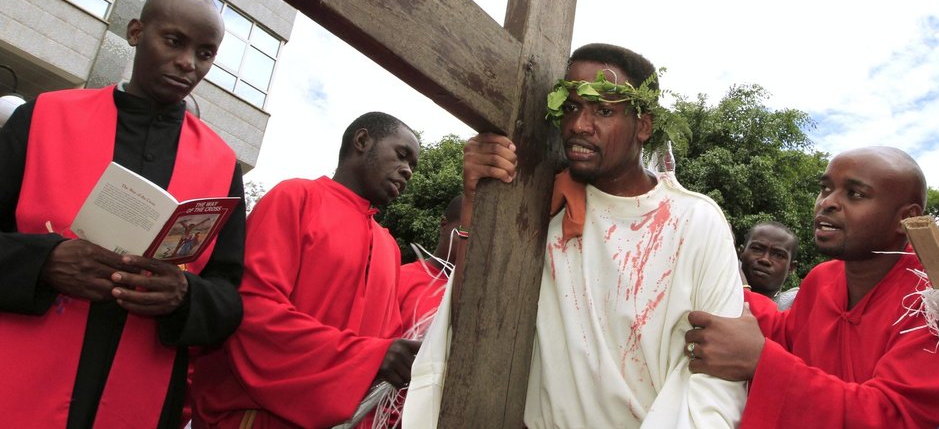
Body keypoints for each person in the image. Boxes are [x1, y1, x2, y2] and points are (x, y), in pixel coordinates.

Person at [404, 43, 747, 428]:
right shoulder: (541, 208)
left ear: (643, 126)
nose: (579, 125)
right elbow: (473, 317)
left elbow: (717, 379)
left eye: (603, 110)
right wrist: (474, 200)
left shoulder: (696, 222)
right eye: (570, 108)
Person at [0, 0, 246, 428]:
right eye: (174, 41)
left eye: (205, 53)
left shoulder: (222, 164)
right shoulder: (43, 116)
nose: (190, 62)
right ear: (136, 32)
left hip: (141, 398)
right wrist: (44, 261)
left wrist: (185, 295)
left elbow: (229, 295)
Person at [685, 146, 939, 427]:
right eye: (825, 188)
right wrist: (716, 270)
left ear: (906, 218)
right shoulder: (822, 279)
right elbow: (781, 336)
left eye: (855, 194)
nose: (827, 202)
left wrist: (762, 363)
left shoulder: (938, 304)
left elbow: (893, 416)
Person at [191, 111, 424, 428]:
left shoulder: (389, 247)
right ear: (362, 140)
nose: (408, 171)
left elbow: (386, 344)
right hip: (255, 416)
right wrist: (369, 358)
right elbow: (252, 309)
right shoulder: (294, 197)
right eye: (402, 155)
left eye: (413, 165)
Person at [398, 194, 462, 334]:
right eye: (463, 234)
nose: (470, 244)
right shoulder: (400, 279)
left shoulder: (479, 291)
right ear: (444, 225)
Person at [740, 220, 799, 310]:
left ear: (791, 268)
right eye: (757, 249)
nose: (765, 259)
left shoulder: (796, 309)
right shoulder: (715, 292)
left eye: (778, 255)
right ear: (741, 253)